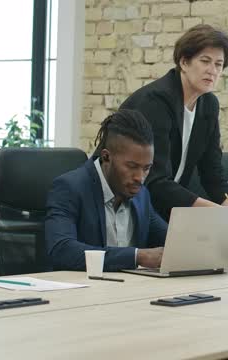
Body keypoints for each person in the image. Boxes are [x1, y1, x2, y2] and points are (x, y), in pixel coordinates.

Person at [119, 24, 228, 253]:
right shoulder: (156, 101)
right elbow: (156, 181)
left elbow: (213, 177)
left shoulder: (208, 105)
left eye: (219, 64)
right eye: (205, 61)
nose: (213, 70)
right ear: (184, 62)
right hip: (128, 201)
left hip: (164, 207)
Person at [46, 110, 167, 271]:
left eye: (146, 168)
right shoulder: (70, 188)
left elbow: (171, 239)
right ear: (106, 157)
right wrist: (137, 256)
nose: (140, 177)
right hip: (83, 291)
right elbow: (62, 250)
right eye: (132, 166)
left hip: (130, 290)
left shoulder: (141, 195)